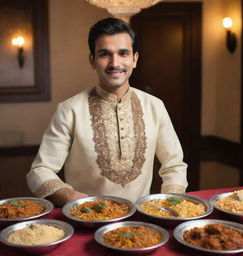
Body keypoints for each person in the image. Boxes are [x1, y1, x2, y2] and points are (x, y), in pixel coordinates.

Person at [26, 17, 188, 207]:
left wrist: (168, 204)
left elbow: (174, 165)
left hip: (141, 222)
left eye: (123, 53)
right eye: (104, 54)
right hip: (86, 218)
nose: (114, 63)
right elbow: (39, 171)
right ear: (92, 60)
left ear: (134, 59)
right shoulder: (70, 110)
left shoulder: (154, 106)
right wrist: (69, 197)